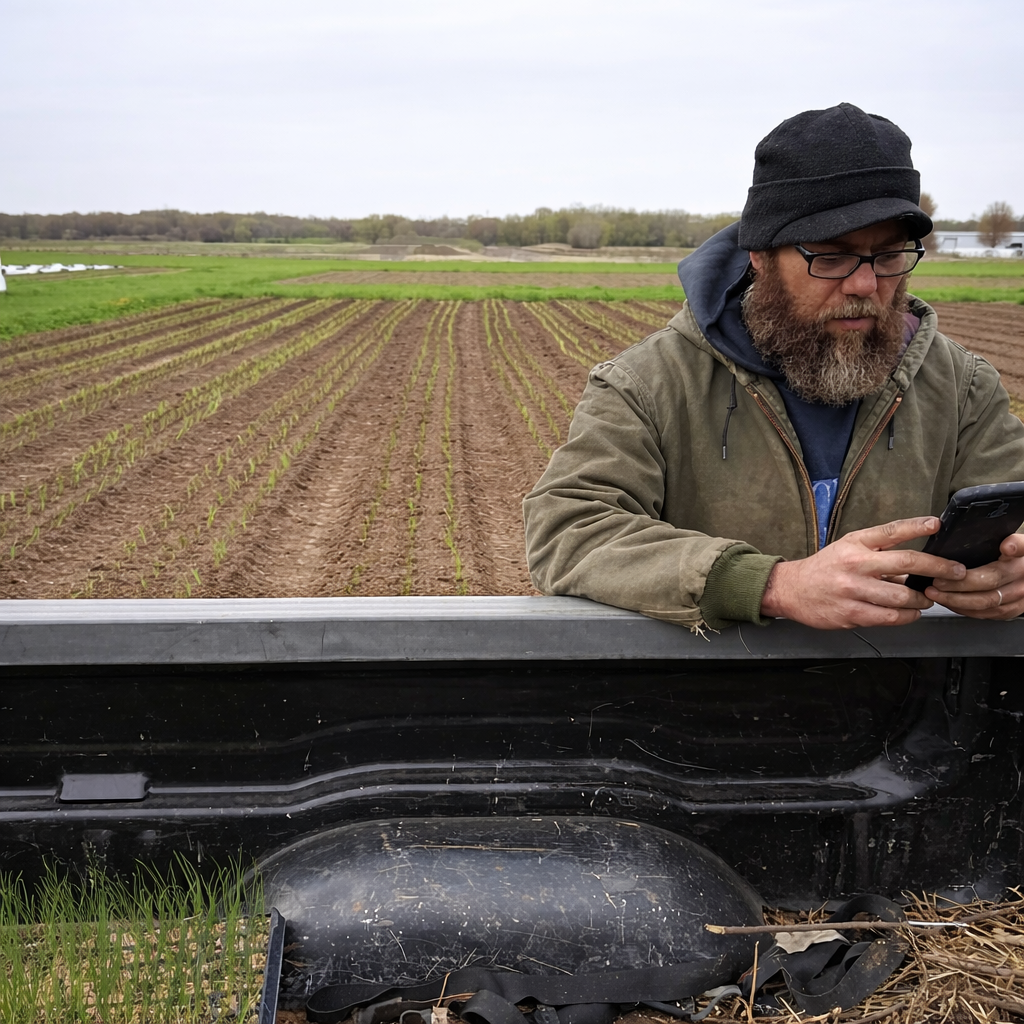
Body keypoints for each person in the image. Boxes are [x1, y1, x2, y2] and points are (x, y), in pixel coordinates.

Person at [523, 103, 1024, 631]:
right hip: (715, 701)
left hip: (910, 705)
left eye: (888, 256)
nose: (865, 285)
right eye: (830, 257)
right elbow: (568, 528)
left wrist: (1014, 569)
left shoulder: (961, 387)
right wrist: (773, 585)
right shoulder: (649, 384)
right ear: (760, 254)